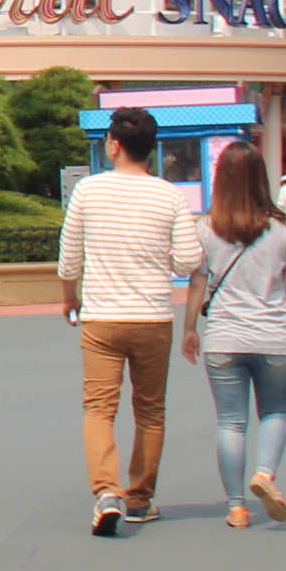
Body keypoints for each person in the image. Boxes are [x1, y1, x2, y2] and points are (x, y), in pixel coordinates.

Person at [58, 107, 204, 535]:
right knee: (151, 410)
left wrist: (70, 299)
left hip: (101, 318)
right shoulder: (170, 196)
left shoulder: (88, 190)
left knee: (99, 409)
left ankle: (107, 492)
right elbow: (189, 259)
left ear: (115, 145)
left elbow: (69, 259)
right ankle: (140, 499)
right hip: (153, 318)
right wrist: (162, 259)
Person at [184, 143, 286, 528]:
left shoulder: (205, 227)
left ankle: (237, 508)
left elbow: (197, 283)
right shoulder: (285, 229)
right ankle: (264, 474)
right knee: (275, 411)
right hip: (273, 337)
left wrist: (190, 329)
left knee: (231, 423)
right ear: (262, 178)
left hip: (223, 339)